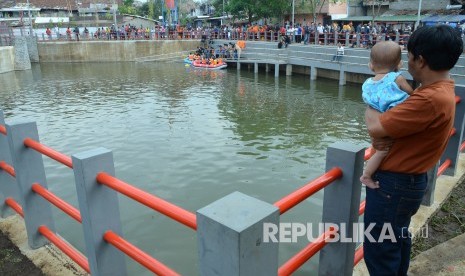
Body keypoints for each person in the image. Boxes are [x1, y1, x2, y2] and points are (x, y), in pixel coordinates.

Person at [363, 25, 463, 275]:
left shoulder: (427, 99)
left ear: (421, 59)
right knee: (396, 239)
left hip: (393, 185)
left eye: (408, 56)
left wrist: (370, 101)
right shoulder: (437, 90)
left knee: (379, 250)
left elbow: (376, 128)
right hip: (408, 182)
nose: (405, 63)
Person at [360, 41, 413, 188]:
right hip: (392, 119)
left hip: (376, 120)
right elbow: (411, 93)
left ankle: (367, 175)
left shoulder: (368, 83)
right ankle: (366, 175)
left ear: (371, 65)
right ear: (400, 64)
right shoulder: (397, 78)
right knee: (384, 150)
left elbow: (369, 102)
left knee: (379, 150)